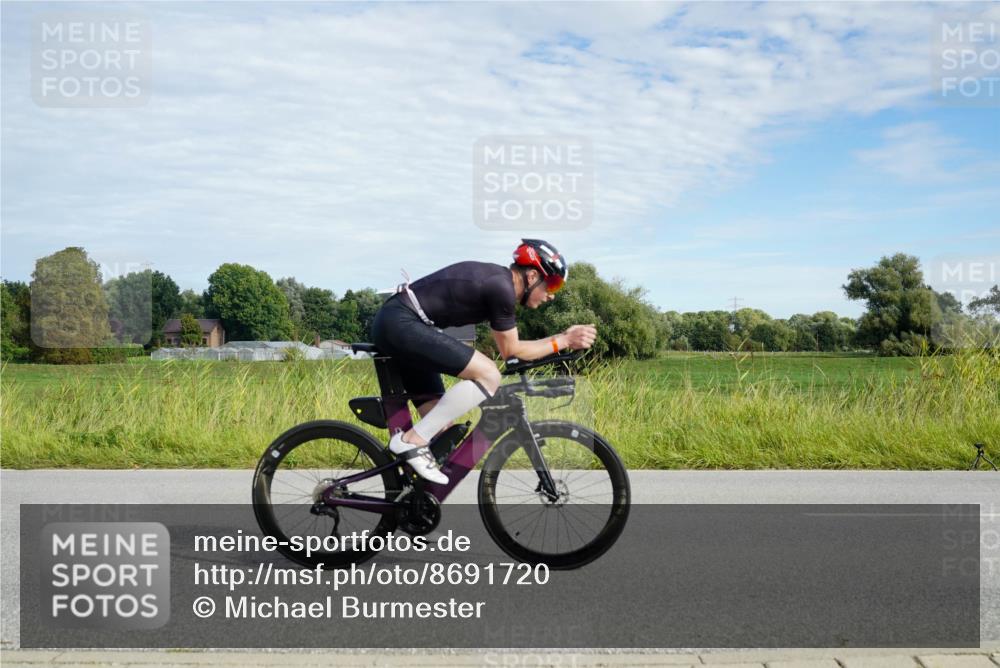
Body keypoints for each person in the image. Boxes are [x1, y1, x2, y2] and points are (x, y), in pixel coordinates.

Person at [371, 239, 597, 484]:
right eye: (551, 284)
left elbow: (514, 350)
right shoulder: (501, 288)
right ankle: (410, 442)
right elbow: (511, 351)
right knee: (489, 374)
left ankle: (409, 498)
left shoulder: (499, 283)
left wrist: (560, 341)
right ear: (532, 276)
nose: (551, 295)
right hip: (401, 323)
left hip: (406, 324)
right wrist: (563, 339)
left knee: (441, 430)